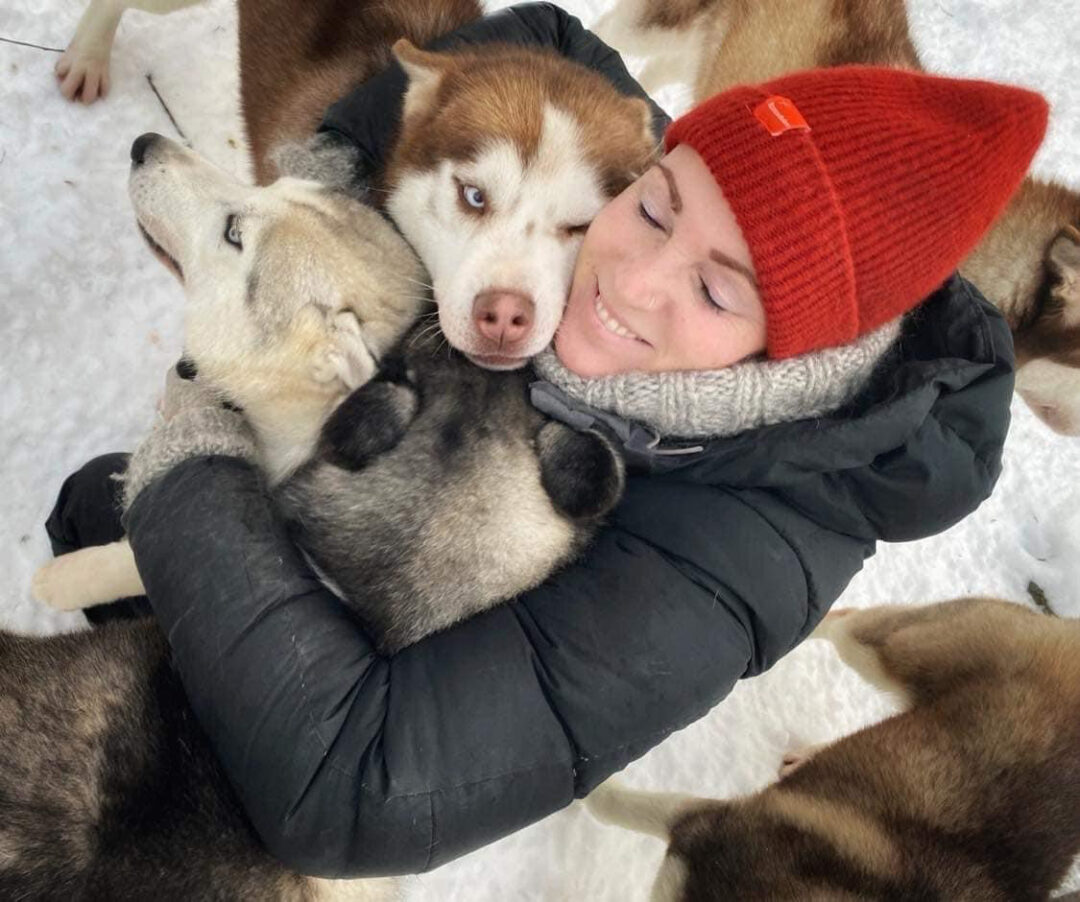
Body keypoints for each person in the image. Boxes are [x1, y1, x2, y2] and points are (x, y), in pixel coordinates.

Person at [44, 3, 1046, 878]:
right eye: (650, 207)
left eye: (714, 290)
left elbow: (350, 789)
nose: (632, 279)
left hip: (342, 693)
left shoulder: (736, 565)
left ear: (788, 351)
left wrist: (201, 457)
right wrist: (339, 184)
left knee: (111, 521)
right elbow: (545, 35)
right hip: (344, 488)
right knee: (91, 504)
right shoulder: (642, 182)